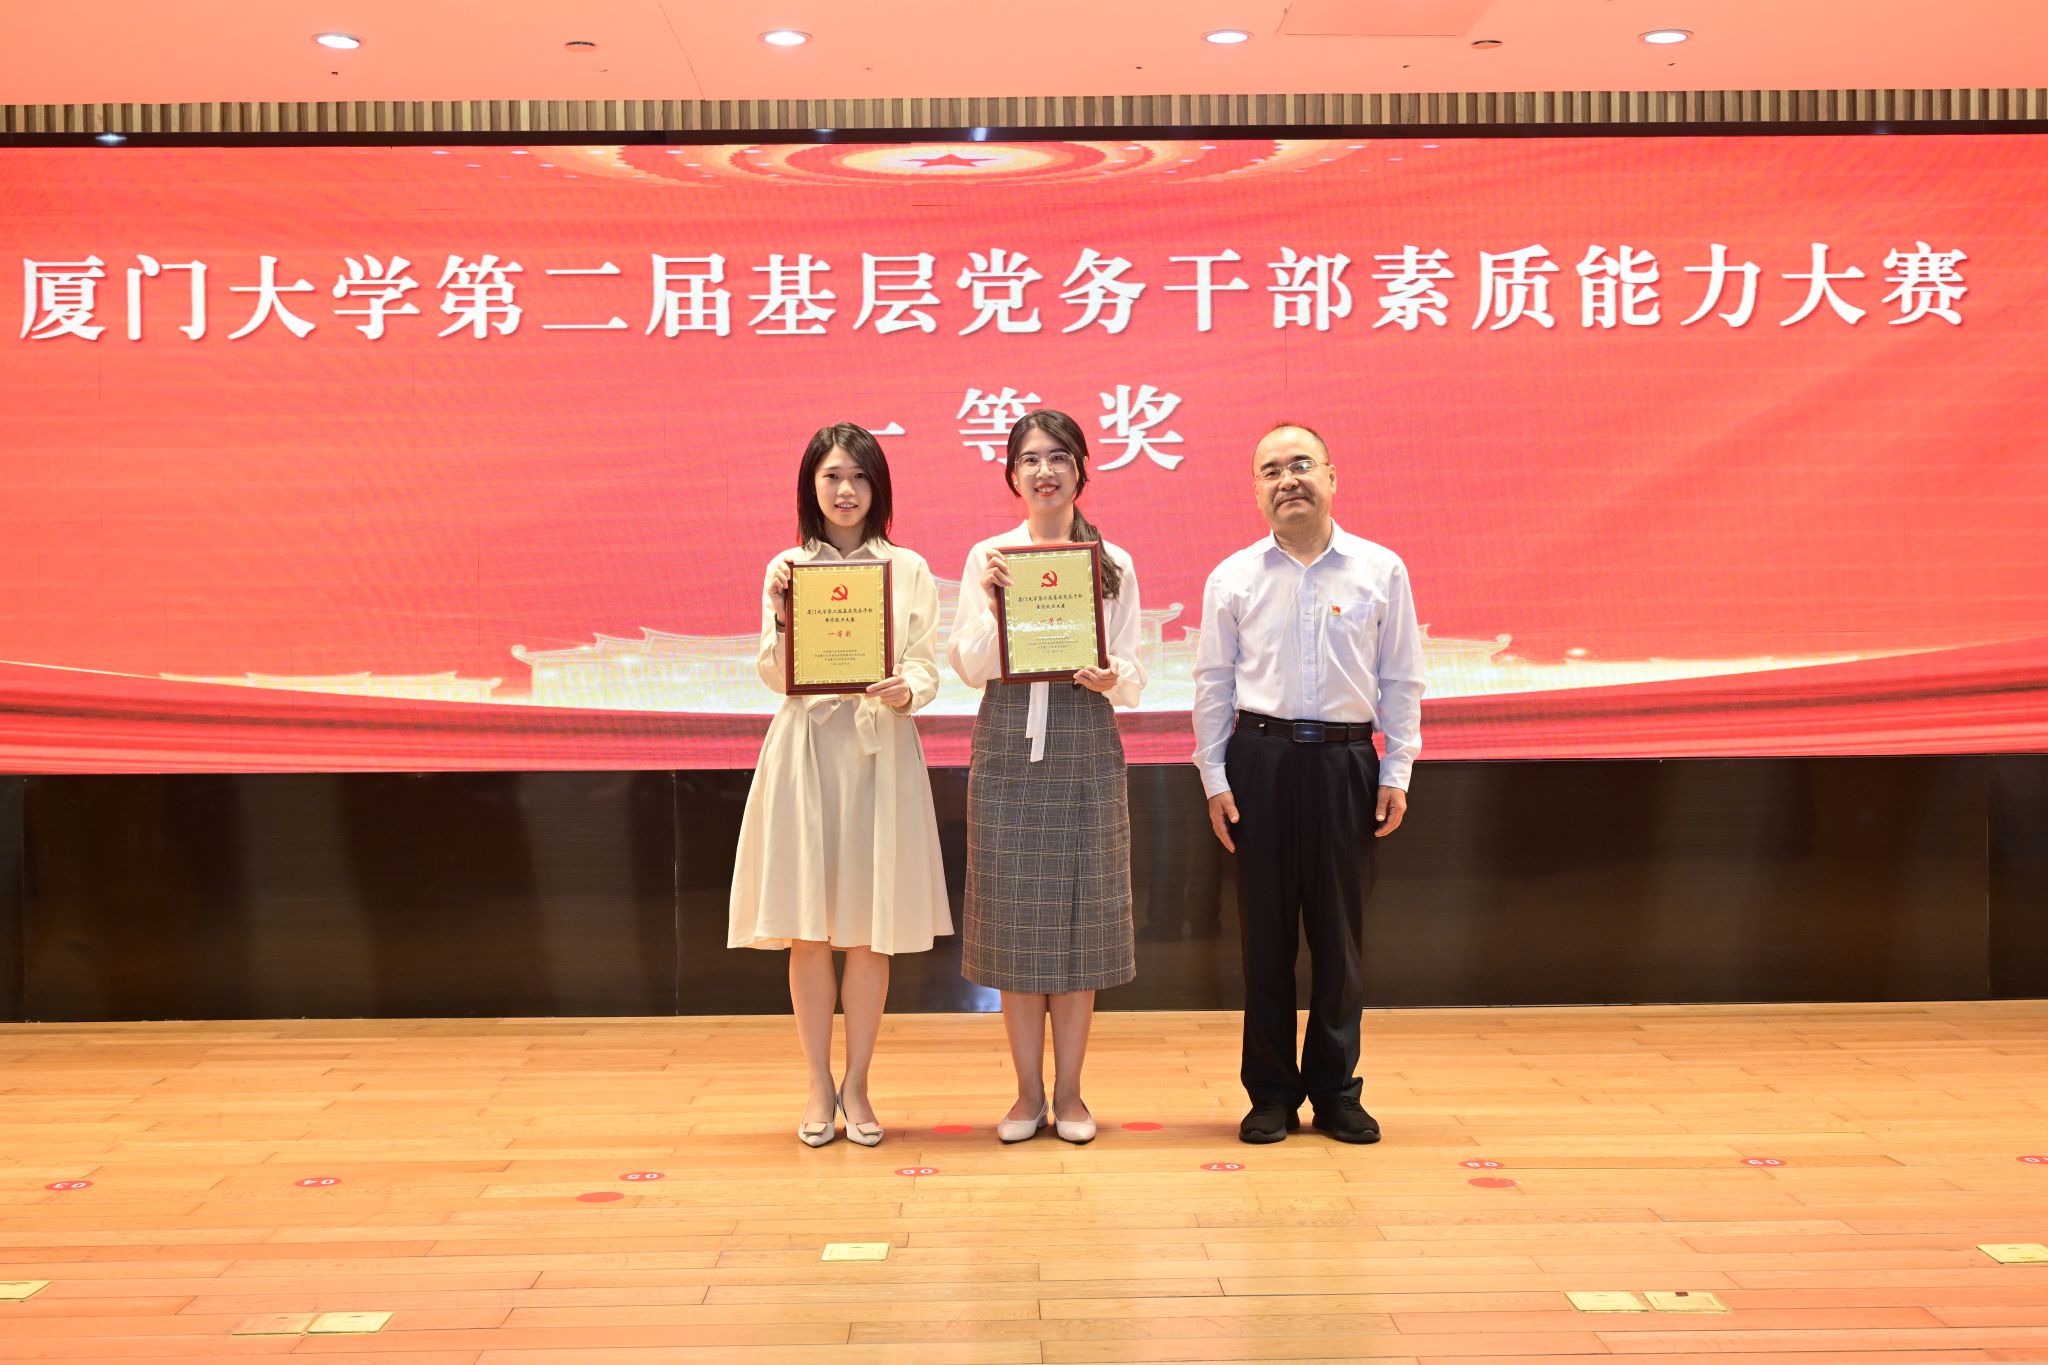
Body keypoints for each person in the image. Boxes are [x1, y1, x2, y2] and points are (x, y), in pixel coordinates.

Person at [1190, 421, 1425, 1145]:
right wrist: (1213, 777)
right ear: (1255, 490)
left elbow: (1402, 678)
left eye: (1300, 464)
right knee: (1263, 939)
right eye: (1270, 470)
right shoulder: (1232, 577)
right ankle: (1269, 1094)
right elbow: (1212, 683)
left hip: (1346, 764)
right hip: (1258, 762)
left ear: (1331, 475)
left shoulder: (1380, 570)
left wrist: (1397, 768)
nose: (1287, 480)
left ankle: (1335, 1090)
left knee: (1338, 940)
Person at [729, 422, 952, 1148]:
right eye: (831, 476)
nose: (846, 490)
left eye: (858, 476)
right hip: (807, 753)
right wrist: (782, 614)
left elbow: (926, 665)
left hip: (878, 751)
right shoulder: (788, 566)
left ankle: (857, 1083)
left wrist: (905, 689)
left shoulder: (908, 567)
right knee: (809, 926)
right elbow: (773, 674)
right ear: (811, 487)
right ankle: (816, 1084)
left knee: (868, 930)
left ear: (878, 486)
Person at [948, 409, 1146, 1145]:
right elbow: (969, 665)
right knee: (1015, 925)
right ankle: (1027, 1094)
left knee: (1080, 923)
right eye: (1030, 459)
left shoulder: (1112, 561)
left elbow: (1134, 670)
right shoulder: (989, 557)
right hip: (1007, 747)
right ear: (1011, 475)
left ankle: (1071, 1094)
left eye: (1059, 457)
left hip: (1084, 742)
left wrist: (1110, 674)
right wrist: (996, 600)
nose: (1045, 471)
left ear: (1082, 469)